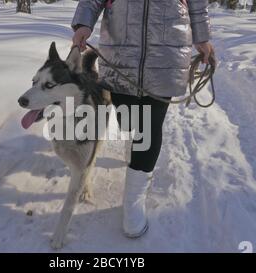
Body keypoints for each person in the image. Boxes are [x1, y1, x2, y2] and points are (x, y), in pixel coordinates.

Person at [71, 0, 214, 238]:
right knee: (130, 122)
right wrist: (83, 24)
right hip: (120, 50)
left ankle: (133, 202)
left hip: (167, 51)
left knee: (149, 127)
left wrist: (203, 36)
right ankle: (134, 145)